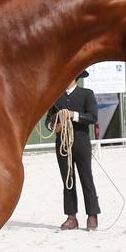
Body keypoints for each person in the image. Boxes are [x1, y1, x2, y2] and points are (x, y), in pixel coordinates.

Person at [47, 70, 100, 231]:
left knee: (86, 178)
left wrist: (73, 115)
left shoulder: (86, 94)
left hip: (81, 142)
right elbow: (48, 119)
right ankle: (71, 216)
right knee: (67, 180)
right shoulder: (55, 97)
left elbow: (92, 117)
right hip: (62, 143)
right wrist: (53, 126)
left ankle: (92, 215)